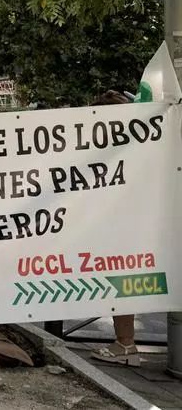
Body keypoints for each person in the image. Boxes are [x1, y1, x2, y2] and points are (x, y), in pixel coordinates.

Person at [90, 90, 141, 366]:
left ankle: (126, 344)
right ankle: (126, 344)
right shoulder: (141, 141)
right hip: (135, 223)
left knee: (124, 280)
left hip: (127, 225)